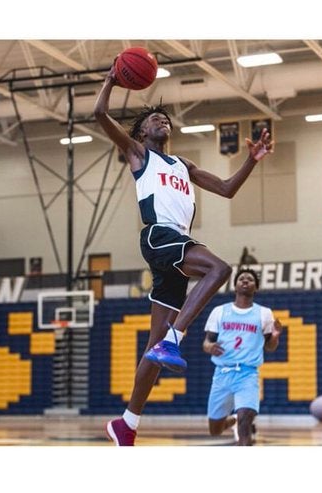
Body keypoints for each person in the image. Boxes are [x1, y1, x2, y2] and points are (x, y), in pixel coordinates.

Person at [94, 60, 274, 446]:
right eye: (155, 119)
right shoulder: (139, 154)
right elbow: (98, 113)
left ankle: (127, 423)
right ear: (143, 131)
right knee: (219, 268)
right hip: (159, 236)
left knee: (152, 344)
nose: (163, 122)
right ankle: (175, 338)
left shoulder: (183, 164)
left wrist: (251, 160)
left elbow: (226, 189)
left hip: (175, 245)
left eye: (166, 119)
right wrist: (111, 80)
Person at [203, 268, 282, 446]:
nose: (245, 281)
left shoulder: (264, 313)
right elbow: (206, 342)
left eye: (250, 279)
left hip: (247, 374)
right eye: (241, 279)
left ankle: (240, 421)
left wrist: (275, 336)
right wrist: (210, 347)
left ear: (256, 287)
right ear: (235, 286)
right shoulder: (219, 311)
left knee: (245, 422)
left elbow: (269, 347)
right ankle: (231, 420)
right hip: (222, 374)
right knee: (214, 430)